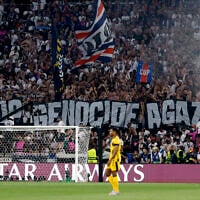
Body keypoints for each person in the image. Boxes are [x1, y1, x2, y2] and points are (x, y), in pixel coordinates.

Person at [105, 127, 121, 196]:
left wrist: (110, 159)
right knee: (107, 173)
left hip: (114, 160)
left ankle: (116, 191)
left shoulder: (116, 140)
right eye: (109, 131)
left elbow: (115, 151)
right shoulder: (113, 139)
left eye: (111, 131)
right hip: (112, 159)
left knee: (114, 174)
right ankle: (115, 189)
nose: (110, 132)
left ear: (115, 132)